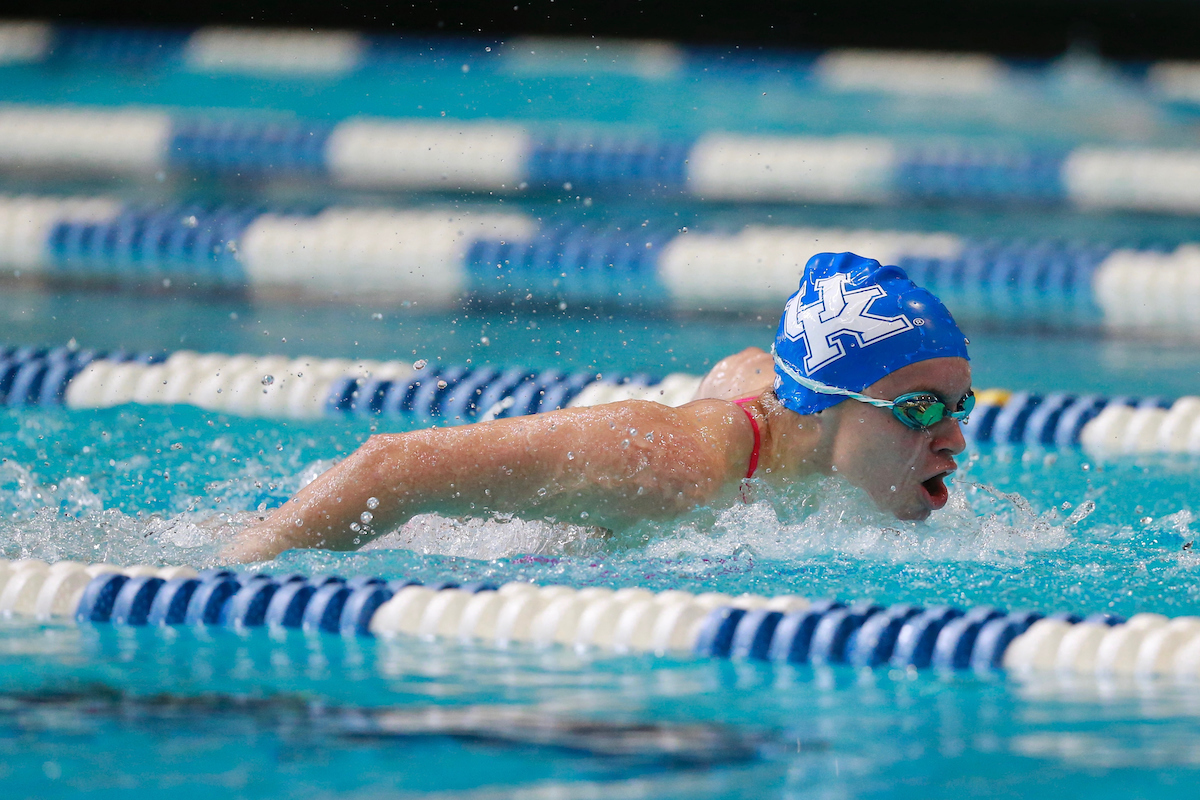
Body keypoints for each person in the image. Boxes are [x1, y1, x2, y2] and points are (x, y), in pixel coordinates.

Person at [222, 252, 973, 563]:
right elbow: (390, 464)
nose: (955, 440)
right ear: (823, 406)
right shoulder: (666, 465)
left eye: (957, 405)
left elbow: (754, 369)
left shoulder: (785, 413)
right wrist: (235, 570)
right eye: (918, 409)